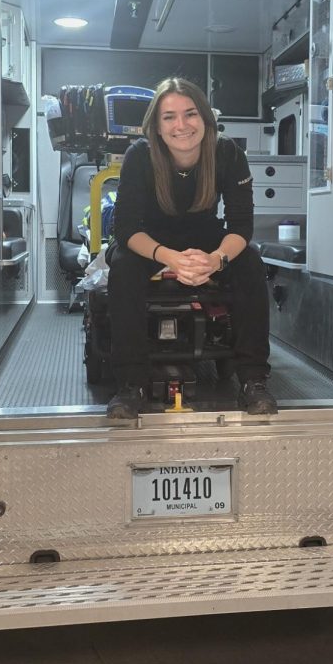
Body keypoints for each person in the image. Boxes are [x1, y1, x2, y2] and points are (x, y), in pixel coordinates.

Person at [106, 77, 276, 420]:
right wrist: (171, 259)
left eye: (190, 114)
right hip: (150, 242)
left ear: (205, 119)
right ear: (156, 124)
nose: (181, 125)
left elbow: (241, 225)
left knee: (250, 262)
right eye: (169, 117)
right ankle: (130, 385)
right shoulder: (140, 156)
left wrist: (215, 260)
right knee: (123, 265)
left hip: (206, 237)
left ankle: (253, 380)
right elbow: (125, 229)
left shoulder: (228, 153)